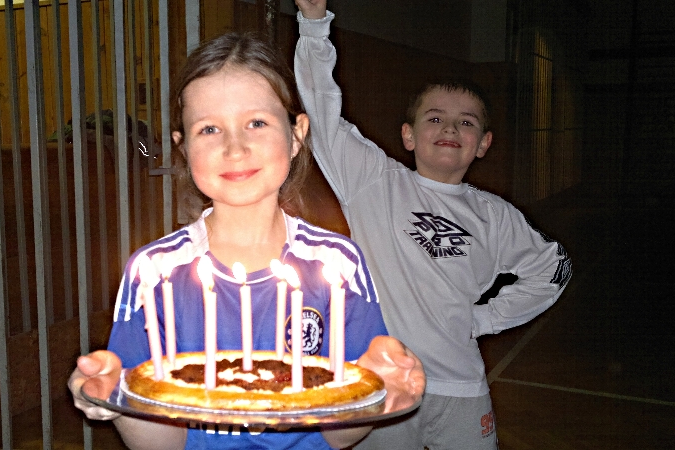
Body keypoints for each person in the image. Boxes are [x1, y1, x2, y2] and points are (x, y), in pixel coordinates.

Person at [68, 32, 426, 450]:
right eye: (209, 129)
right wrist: (117, 398)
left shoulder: (336, 264)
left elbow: (338, 435)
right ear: (183, 147)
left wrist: (377, 390)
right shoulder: (154, 272)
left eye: (256, 123)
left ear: (297, 134)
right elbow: (160, 443)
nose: (234, 148)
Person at [293, 1, 573, 449]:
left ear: (483, 144)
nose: (450, 129)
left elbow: (553, 268)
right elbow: (323, 115)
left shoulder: (494, 215)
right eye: (435, 118)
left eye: (466, 123)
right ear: (408, 134)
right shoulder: (373, 182)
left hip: (461, 389)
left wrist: (486, 317)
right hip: (383, 385)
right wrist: (313, 25)